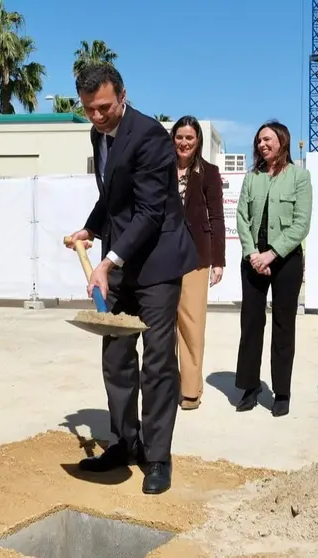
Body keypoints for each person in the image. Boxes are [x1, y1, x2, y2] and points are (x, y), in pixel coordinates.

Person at [64, 63, 197, 494]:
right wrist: (90, 229)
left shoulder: (151, 138)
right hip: (119, 263)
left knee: (158, 362)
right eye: (88, 110)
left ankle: (158, 458)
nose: (97, 116)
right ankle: (125, 442)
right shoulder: (97, 134)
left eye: (104, 107)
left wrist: (108, 262)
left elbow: (150, 211)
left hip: (156, 264)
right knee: (117, 356)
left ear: (122, 95)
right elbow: (112, 198)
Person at [233, 121, 312, 417]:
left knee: (283, 325)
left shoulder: (299, 177)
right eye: (258, 141)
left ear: (282, 141)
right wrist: (253, 253)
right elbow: (242, 217)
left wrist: (272, 254)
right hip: (253, 259)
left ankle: (282, 392)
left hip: (286, 260)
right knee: (251, 324)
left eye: (267, 139)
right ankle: (250, 387)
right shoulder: (251, 178)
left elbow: (301, 223)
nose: (262, 145)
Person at [170, 115, 226, 411]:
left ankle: (190, 391)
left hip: (196, 257)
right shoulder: (161, 170)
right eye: (180, 137)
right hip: (163, 256)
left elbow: (216, 217)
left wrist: (218, 261)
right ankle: (166, 388)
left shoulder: (209, 172)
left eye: (190, 138)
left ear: (198, 142)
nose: (184, 143)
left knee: (191, 324)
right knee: (163, 326)